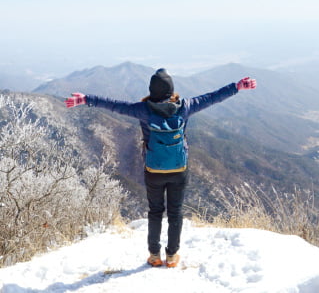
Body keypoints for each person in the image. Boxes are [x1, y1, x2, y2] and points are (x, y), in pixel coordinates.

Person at [65, 68, 257, 267]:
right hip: (179, 169)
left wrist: (86, 99)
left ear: (151, 90)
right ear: (170, 90)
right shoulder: (185, 107)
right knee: (176, 212)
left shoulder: (143, 110)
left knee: (155, 212)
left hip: (153, 171)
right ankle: (172, 256)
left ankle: (154, 256)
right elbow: (212, 97)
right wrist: (236, 87)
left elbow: (114, 105)